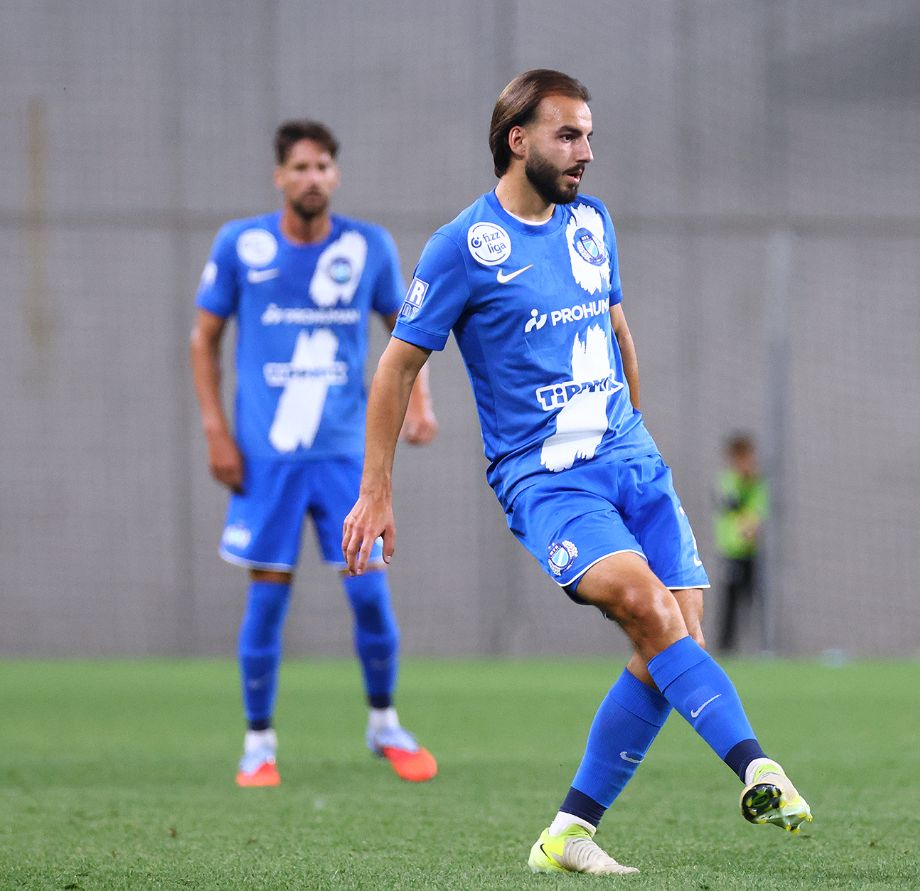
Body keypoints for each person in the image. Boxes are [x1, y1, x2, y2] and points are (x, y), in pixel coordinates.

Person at [342, 70, 812, 874]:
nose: (586, 151)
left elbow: (618, 330)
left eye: (589, 135)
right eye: (568, 135)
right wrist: (375, 490)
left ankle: (568, 833)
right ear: (517, 139)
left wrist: (635, 436)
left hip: (630, 460)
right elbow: (396, 368)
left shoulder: (592, 223)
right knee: (648, 607)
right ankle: (756, 767)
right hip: (549, 479)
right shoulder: (463, 246)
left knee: (675, 634)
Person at [190, 119, 439, 788]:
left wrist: (420, 403)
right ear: (280, 176)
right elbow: (203, 339)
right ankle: (258, 742)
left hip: (345, 457)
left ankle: (384, 723)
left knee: (370, 596)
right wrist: (216, 430)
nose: (312, 178)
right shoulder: (241, 244)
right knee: (267, 601)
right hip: (267, 458)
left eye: (322, 166)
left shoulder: (367, 246)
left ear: (336, 175)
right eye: (300, 167)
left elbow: (406, 328)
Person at [715, 434, 769, 652]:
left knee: (756, 598)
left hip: (752, 551)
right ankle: (726, 648)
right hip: (732, 551)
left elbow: (758, 512)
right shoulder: (728, 481)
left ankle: (764, 646)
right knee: (730, 601)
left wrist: (752, 524)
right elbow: (733, 505)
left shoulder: (757, 483)